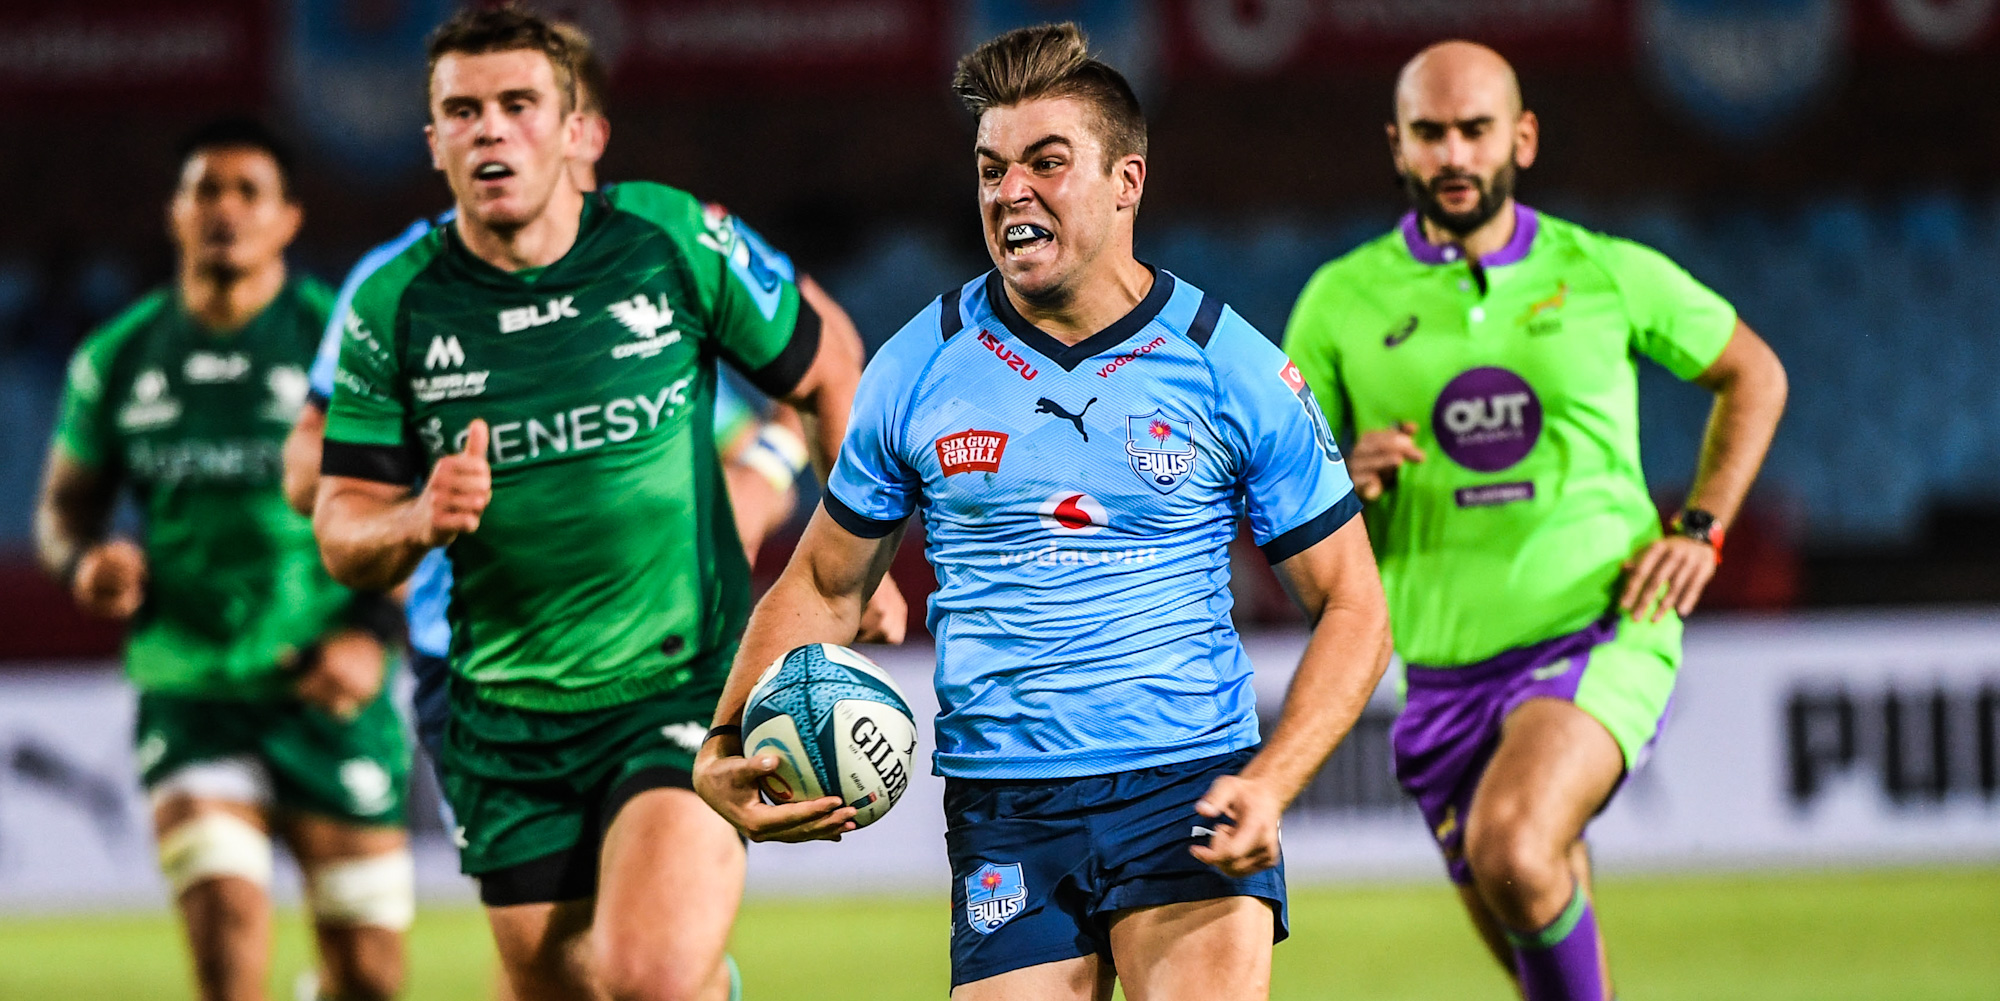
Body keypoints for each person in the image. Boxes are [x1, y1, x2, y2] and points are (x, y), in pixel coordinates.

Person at [694, 23, 1394, 1001]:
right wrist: (722, 742)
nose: (1007, 191)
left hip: (1186, 786)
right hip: (1003, 807)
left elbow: (1353, 605)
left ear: (1125, 182)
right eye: (989, 168)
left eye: (1043, 162)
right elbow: (821, 579)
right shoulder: (917, 364)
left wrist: (1272, 777)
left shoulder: (1231, 366)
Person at [310, 8, 874, 1000]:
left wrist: (848, 561)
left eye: (519, 105)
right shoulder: (391, 303)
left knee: (644, 973)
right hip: (499, 715)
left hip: (676, 684)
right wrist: (413, 520)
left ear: (576, 130)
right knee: (564, 983)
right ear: (433, 141)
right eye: (462, 110)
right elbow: (338, 522)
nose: (491, 129)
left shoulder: (668, 240)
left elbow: (829, 366)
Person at [1281, 41, 1788, 1001]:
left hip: (1600, 630)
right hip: (1439, 678)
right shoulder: (1339, 301)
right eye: (1431, 133)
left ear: (1523, 137)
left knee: (1514, 846)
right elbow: (1279, 498)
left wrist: (1702, 526)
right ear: (1398, 147)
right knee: (1536, 937)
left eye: (1476, 130)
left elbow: (1753, 374)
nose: (1455, 154)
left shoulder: (1605, 272)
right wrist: (1338, 480)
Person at [36, 119, 412, 1001]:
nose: (226, 210)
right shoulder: (119, 357)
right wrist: (84, 561)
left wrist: (371, 634)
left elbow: (410, 512)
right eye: (207, 189)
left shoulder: (345, 345)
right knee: (229, 942)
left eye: (250, 192)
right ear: (175, 212)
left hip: (327, 689)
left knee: (368, 978)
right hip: (192, 686)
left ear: (288, 219)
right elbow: (63, 509)